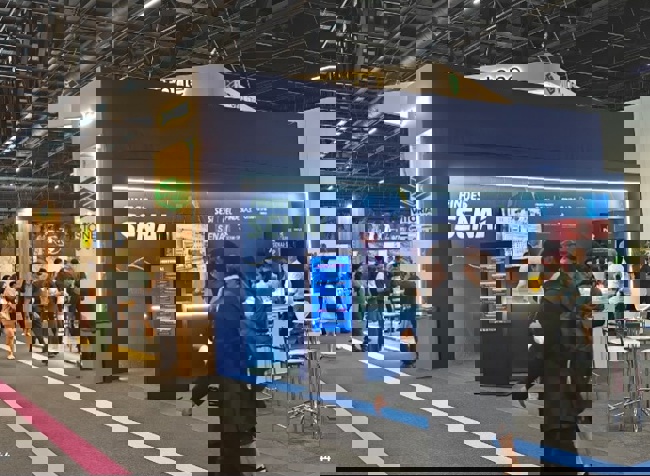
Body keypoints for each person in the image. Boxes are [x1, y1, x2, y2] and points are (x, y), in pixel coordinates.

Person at [185, 267, 262, 474]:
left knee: (232, 442)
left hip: (232, 399)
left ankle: (233, 468)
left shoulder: (228, 339)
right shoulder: (239, 339)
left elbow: (210, 370)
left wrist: (193, 399)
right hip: (238, 399)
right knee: (237, 439)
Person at [535, 240, 600, 475]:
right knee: (563, 414)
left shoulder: (567, 284)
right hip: (572, 355)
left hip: (566, 356)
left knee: (560, 414)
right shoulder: (583, 281)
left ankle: (562, 464)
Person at [20, 273, 46, 352]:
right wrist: (27, 315)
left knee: (34, 328)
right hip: (32, 311)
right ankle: (43, 345)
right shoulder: (30, 288)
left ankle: (33, 346)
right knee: (37, 327)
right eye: (40, 279)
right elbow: (26, 303)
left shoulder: (35, 288)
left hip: (35, 310)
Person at [1, 281, 18, 359]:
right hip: (4, 315)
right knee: (10, 334)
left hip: (11, 316)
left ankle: (10, 352)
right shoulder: (4, 298)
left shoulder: (12, 297)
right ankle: (10, 353)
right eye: (4, 287)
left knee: (11, 335)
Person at [351, 271, 367, 352]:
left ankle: (355, 345)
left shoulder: (359, 284)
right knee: (357, 327)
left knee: (356, 327)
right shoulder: (357, 284)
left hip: (359, 307)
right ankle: (362, 345)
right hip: (356, 307)